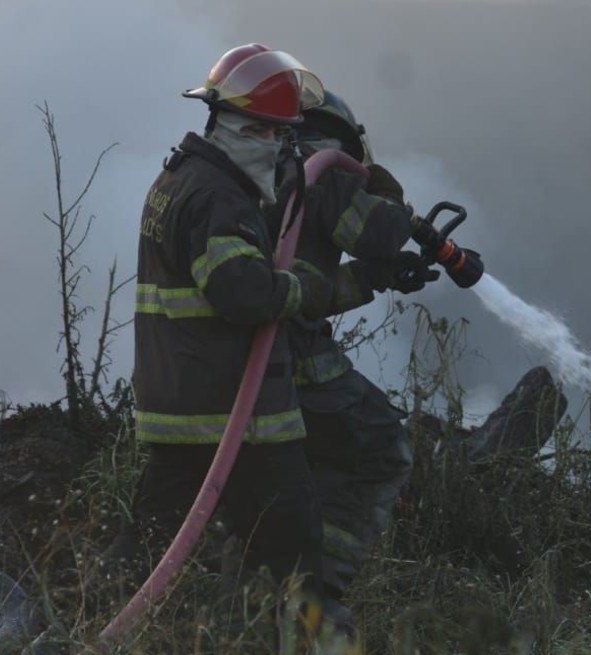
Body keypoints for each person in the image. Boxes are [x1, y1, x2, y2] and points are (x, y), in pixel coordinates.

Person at [106, 43, 333, 600]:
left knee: (155, 536)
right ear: (237, 126)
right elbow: (243, 292)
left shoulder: (178, 178)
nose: (280, 148)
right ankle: (296, 638)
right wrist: (302, 287)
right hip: (233, 412)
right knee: (291, 549)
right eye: (272, 134)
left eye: (285, 137)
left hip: (181, 402)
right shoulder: (220, 198)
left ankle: (94, 612)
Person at [273, 90, 445, 627]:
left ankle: (281, 583)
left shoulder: (261, 162)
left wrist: (374, 278)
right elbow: (377, 233)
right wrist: (388, 194)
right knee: (381, 447)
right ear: (349, 141)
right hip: (288, 359)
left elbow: (305, 284)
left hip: (229, 355)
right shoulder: (321, 170)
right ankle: (316, 596)